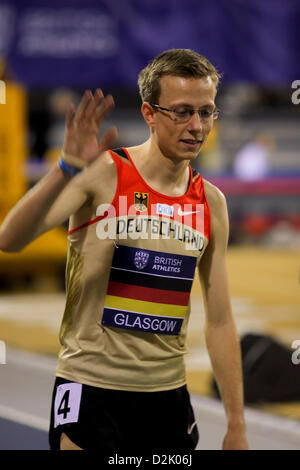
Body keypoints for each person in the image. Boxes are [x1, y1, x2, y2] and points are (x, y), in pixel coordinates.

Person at [0, 49, 249, 451]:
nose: (197, 126)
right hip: (90, 389)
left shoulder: (211, 203)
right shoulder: (104, 174)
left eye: (207, 112)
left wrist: (236, 424)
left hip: (167, 397)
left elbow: (220, 322)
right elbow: (8, 239)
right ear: (150, 114)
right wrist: (65, 168)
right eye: (182, 111)